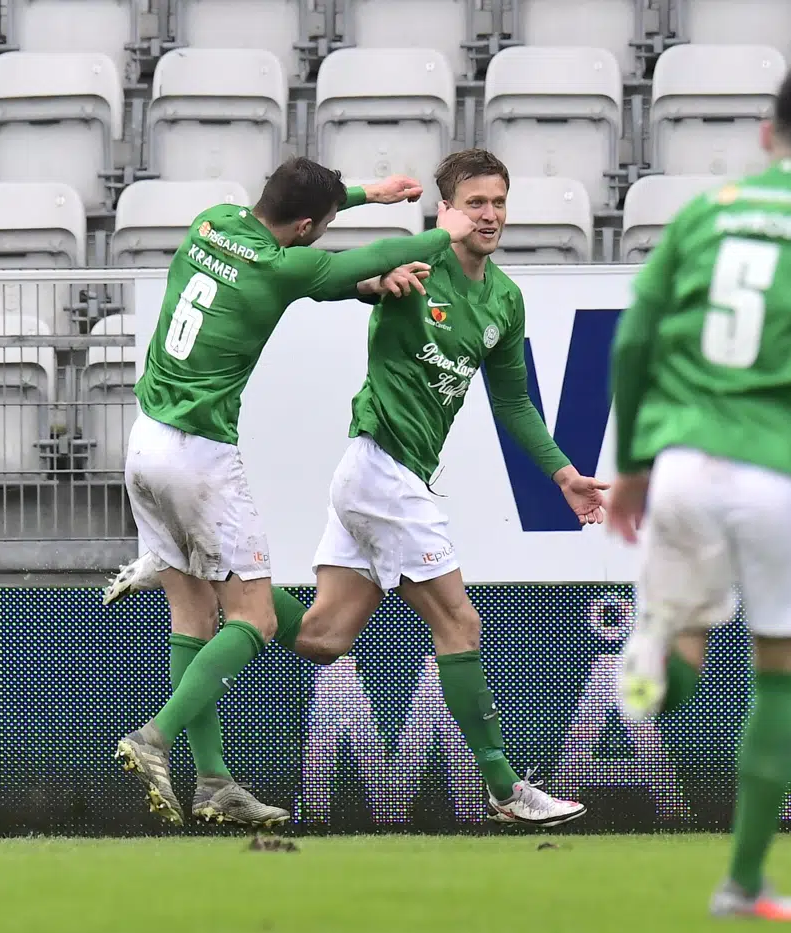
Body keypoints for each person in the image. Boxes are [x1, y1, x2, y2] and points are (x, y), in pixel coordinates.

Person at [607, 68, 791, 921]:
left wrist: (631, 462)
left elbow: (633, 337)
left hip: (684, 465)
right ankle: (741, 883)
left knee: (686, 655)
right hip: (784, 474)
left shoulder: (705, 211)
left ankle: (652, 657)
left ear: (769, 136)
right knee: (779, 676)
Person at [110, 157, 477, 827]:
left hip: (143, 445)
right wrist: (442, 231)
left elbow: (324, 267)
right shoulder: (285, 268)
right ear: (308, 226)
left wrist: (371, 194)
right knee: (255, 619)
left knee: (193, 620)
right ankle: (153, 736)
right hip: (200, 458)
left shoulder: (211, 222)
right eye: (327, 221)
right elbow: (367, 258)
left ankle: (214, 782)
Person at [275, 149, 602, 827]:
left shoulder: (503, 299)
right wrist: (374, 284)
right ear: (445, 211)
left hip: (373, 474)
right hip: (383, 470)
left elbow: (513, 402)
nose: (489, 215)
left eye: (498, 203)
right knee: (460, 622)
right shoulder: (414, 263)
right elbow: (351, 282)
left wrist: (564, 473)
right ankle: (506, 789)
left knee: (322, 637)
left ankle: (215, 572)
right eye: (474, 203)